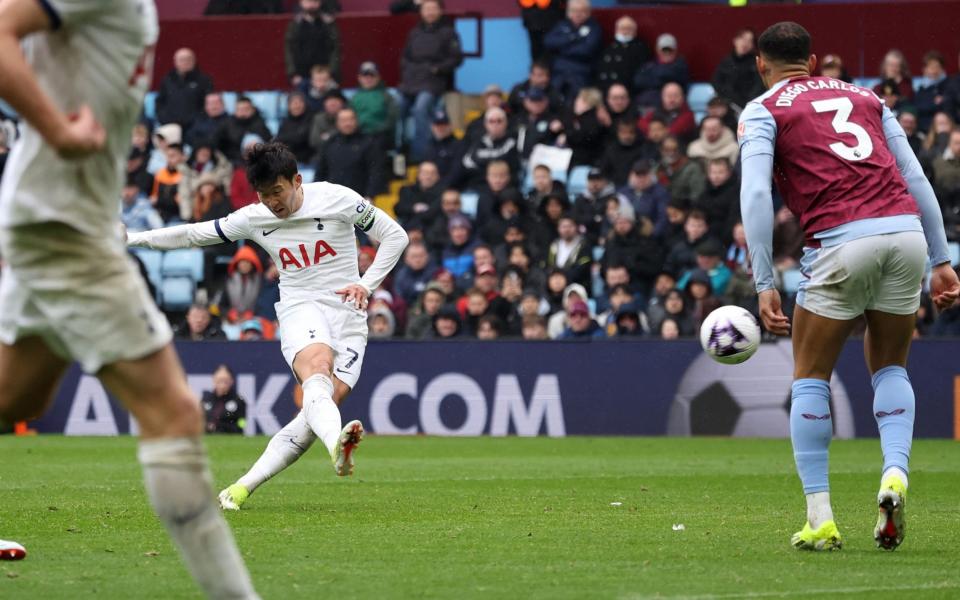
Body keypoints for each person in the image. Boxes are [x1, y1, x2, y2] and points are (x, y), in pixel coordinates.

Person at [0, 0, 258, 597]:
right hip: (65, 224)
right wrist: (60, 132)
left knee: (18, 396)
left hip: (55, 217)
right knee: (173, 412)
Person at [739, 22, 959, 552]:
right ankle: (894, 474)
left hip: (839, 241)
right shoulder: (867, 97)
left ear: (761, 65)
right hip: (905, 234)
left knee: (810, 373)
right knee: (890, 366)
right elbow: (916, 178)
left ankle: (820, 518)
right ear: (813, 61)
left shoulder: (763, 108)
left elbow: (754, 196)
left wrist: (764, 279)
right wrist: (942, 259)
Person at [127, 142, 409, 510]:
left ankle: (243, 487)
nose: (272, 202)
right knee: (318, 370)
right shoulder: (254, 216)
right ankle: (336, 444)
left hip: (348, 313)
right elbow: (193, 234)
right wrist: (133, 239)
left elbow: (396, 236)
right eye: (264, 195)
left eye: (277, 192)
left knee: (316, 409)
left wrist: (366, 284)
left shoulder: (337, 199)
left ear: (297, 180)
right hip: (300, 306)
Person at [398, 0, 463, 162]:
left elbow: (456, 58)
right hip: (411, 81)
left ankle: (421, 154)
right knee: (397, 106)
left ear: (440, 11)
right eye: (426, 9)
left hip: (433, 83)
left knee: (421, 108)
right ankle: (398, 151)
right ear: (421, 11)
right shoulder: (414, 32)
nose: (430, 12)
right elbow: (405, 58)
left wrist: (437, 69)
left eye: (433, 8)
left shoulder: (449, 32)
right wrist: (409, 71)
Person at [314, 107, 385, 198]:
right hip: (333, 198)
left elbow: (375, 171)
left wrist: (370, 195)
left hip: (360, 199)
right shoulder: (329, 144)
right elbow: (320, 171)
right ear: (337, 123)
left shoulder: (369, 143)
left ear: (357, 121)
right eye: (343, 120)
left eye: (351, 119)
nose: (347, 123)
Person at [542, 0, 602, 101]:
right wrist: (573, 37)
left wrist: (562, 49)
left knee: (576, 100)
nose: (578, 14)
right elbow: (549, 42)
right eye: (574, 11)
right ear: (568, 12)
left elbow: (586, 50)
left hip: (581, 71)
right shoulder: (562, 25)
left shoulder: (594, 27)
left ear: (588, 12)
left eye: (582, 11)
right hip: (559, 71)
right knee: (552, 97)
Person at [155, 48, 213, 131]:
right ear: (175, 61)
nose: (185, 62)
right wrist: (164, 119)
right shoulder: (167, 79)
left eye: (188, 59)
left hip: (195, 127)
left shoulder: (204, 80)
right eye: (182, 59)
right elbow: (160, 102)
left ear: (194, 61)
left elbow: (208, 104)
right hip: (169, 125)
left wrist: (197, 121)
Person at [285, 0, 341, 85]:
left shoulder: (328, 23)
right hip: (301, 75)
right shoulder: (295, 24)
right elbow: (289, 50)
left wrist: (332, 73)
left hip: (324, 74)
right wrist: (293, 73)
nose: (311, 5)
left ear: (320, 2)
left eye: (314, 1)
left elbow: (335, 49)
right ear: (301, 3)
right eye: (308, 1)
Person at [351, 61, 399, 151]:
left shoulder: (387, 96)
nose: (368, 78)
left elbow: (392, 118)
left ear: (378, 78)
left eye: (372, 75)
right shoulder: (353, 98)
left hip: (379, 137)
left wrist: (377, 130)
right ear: (359, 78)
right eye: (365, 75)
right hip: (358, 136)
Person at [711, 29, 764, 110]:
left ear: (753, 45)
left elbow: (758, 89)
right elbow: (717, 83)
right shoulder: (726, 62)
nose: (745, 43)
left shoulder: (756, 63)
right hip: (726, 104)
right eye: (743, 39)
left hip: (747, 106)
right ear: (735, 40)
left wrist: (746, 105)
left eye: (749, 41)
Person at [634, 33, 690, 109]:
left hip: (668, 105)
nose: (667, 53)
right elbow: (638, 81)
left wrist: (652, 78)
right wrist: (658, 79)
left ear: (675, 50)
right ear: (657, 50)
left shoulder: (680, 65)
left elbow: (668, 75)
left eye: (670, 50)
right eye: (664, 50)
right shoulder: (649, 65)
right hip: (643, 103)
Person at [596, 16, 650, 94]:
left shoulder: (639, 48)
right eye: (622, 28)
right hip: (604, 87)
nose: (625, 32)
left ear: (635, 32)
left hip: (625, 90)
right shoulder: (608, 47)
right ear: (616, 30)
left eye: (628, 29)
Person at [202, 365, 247, 435]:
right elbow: (198, 422)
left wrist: (219, 427)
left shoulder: (239, 401)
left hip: (230, 438)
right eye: (219, 380)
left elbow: (242, 424)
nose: (222, 385)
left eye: (225, 381)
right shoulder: (205, 399)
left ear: (231, 381)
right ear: (214, 380)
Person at [276, 92, 315, 164]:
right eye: (293, 103)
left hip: (307, 157)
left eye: (299, 102)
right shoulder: (285, 121)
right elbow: (278, 139)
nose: (297, 106)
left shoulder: (311, 118)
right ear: (288, 106)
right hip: (287, 158)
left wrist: (286, 138)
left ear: (304, 104)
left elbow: (302, 138)